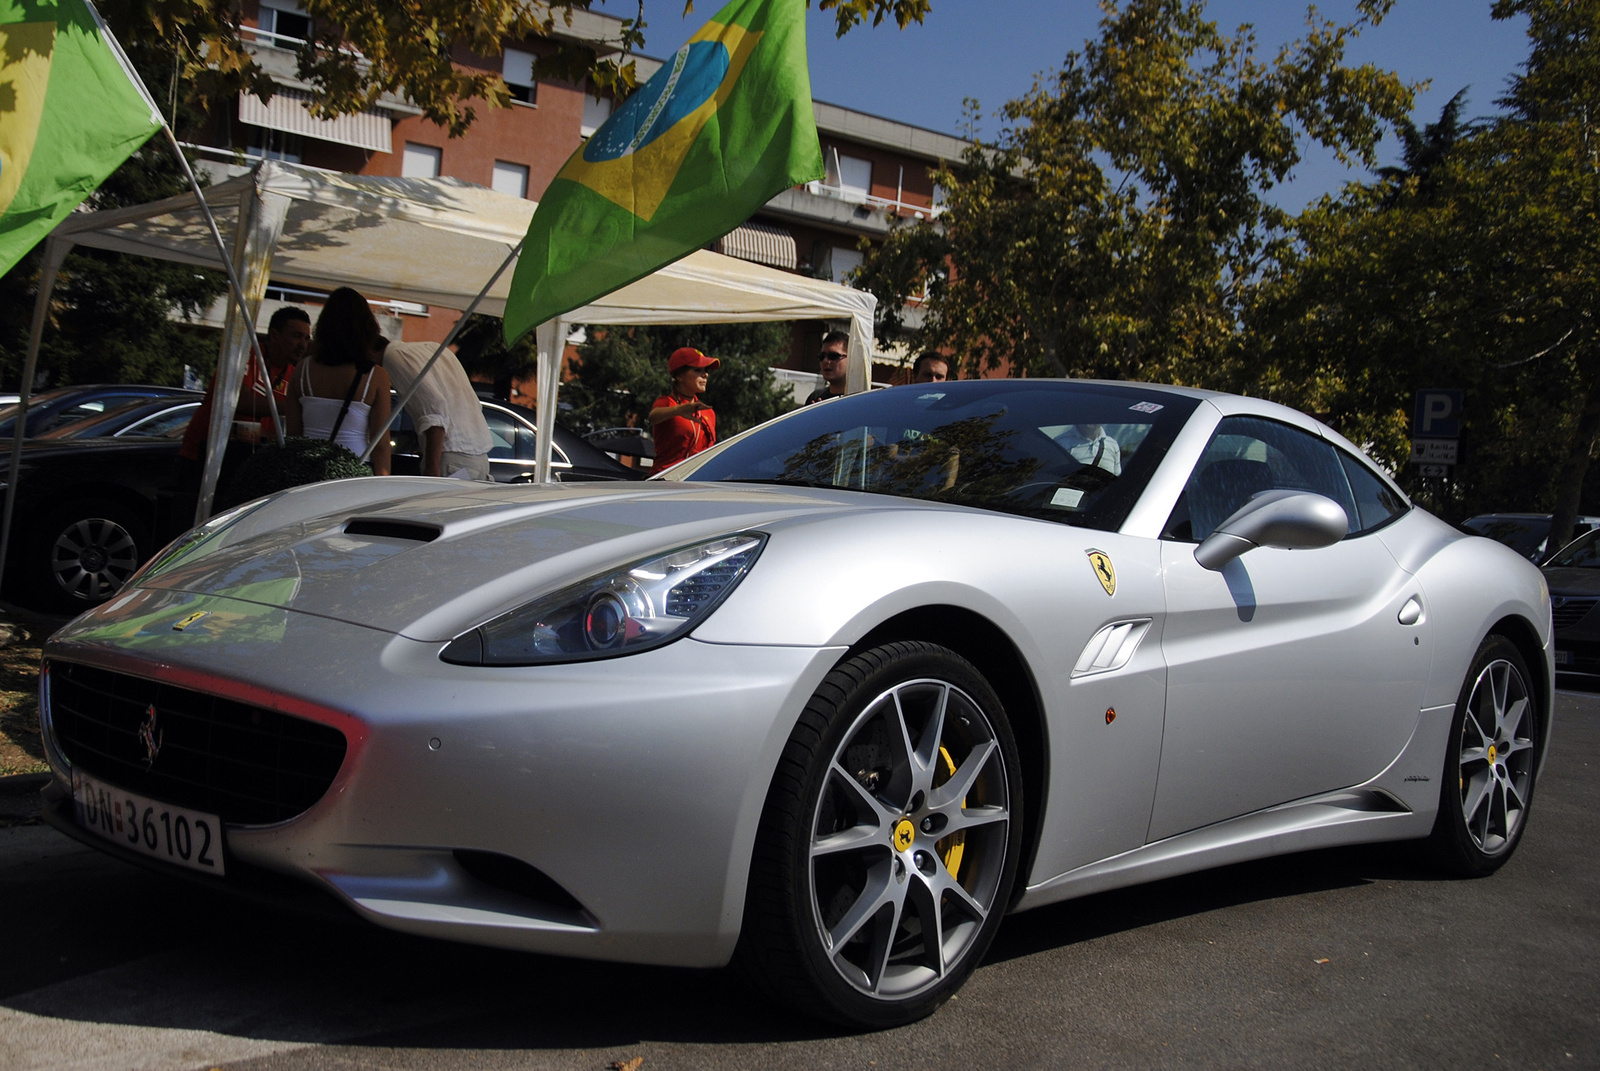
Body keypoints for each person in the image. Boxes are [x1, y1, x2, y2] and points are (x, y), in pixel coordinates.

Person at [176, 305, 311, 486]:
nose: (302, 344)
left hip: (246, 462)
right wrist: (291, 408)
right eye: (296, 336)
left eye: (306, 338)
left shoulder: (294, 374)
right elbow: (237, 401)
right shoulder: (244, 355)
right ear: (274, 335)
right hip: (204, 456)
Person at [286, 287, 392, 475]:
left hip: (307, 471)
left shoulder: (302, 370)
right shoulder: (376, 376)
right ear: (366, 328)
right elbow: (381, 444)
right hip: (355, 471)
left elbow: (293, 434)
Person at [379, 340, 494, 480]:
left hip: (452, 459)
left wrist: (431, 468)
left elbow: (435, 414)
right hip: (478, 457)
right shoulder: (432, 347)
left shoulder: (393, 357)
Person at [650, 347, 719, 470]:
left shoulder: (708, 412)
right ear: (679, 376)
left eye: (706, 370)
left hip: (696, 481)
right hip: (666, 480)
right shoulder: (667, 402)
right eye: (698, 370)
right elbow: (653, 417)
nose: (705, 374)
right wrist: (679, 410)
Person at [804, 331, 851, 404]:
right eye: (822, 356)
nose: (825, 361)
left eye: (833, 356)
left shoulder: (856, 400)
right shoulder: (815, 399)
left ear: (851, 359)